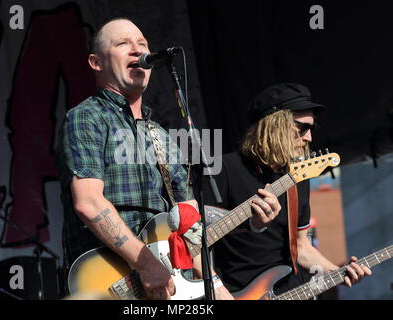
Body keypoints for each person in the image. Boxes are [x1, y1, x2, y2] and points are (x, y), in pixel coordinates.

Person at [56, 18, 238, 300]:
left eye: (142, 44)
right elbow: (88, 202)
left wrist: (217, 287)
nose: (136, 50)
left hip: (165, 282)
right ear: (96, 62)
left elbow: (188, 222)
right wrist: (145, 264)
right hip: (109, 281)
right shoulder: (87, 117)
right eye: (122, 44)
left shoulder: (161, 135)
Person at [203, 83, 372, 298]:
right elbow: (194, 238)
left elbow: (301, 246)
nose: (309, 138)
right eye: (302, 127)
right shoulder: (224, 168)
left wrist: (337, 272)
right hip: (237, 292)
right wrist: (218, 289)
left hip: (289, 290)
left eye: (311, 129)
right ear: (276, 125)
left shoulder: (298, 176)